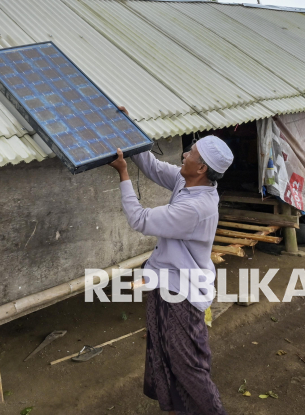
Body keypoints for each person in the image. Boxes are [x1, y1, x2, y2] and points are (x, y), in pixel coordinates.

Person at [108, 112, 233, 415]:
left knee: (189, 365)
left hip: (183, 295)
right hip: (167, 285)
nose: (184, 154)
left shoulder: (195, 207)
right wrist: (130, 127)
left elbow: (140, 219)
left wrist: (123, 174)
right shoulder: (187, 182)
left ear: (201, 168)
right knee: (164, 357)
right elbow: (151, 165)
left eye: (191, 153)